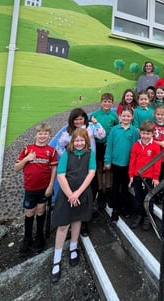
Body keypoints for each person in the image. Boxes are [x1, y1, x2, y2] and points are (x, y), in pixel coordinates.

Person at [49, 128, 96, 283]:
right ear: (72, 142)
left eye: (82, 140)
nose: (79, 143)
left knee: (77, 220)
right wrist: (70, 194)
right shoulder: (67, 155)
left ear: (86, 141)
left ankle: (73, 248)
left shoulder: (90, 155)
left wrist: (78, 193)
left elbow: (91, 173)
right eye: (77, 140)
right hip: (66, 194)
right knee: (63, 225)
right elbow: (61, 175)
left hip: (82, 193)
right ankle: (56, 259)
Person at [56, 108, 106, 236]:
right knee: (74, 194)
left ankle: (84, 221)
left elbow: (102, 135)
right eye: (76, 119)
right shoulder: (67, 133)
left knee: (91, 191)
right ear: (72, 120)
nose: (78, 121)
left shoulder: (90, 128)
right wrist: (68, 159)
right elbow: (59, 147)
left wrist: (96, 123)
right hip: (75, 170)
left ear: (84, 118)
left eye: (81, 118)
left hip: (90, 167)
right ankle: (74, 222)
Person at [14, 123, 58, 258]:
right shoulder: (27, 149)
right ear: (36, 135)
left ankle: (40, 237)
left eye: (45, 133)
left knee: (41, 211)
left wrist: (51, 185)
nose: (43, 136)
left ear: (49, 135)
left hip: (44, 188)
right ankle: (27, 239)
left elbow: (54, 169)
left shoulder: (51, 151)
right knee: (29, 212)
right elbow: (16, 168)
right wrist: (27, 159)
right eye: (40, 133)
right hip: (30, 188)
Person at [104, 107, 140, 222]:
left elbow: (136, 148)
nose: (126, 118)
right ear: (120, 117)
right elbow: (109, 146)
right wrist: (107, 161)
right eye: (123, 116)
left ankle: (124, 207)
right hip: (116, 163)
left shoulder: (134, 131)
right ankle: (115, 208)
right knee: (115, 186)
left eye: (128, 116)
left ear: (132, 117)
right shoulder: (114, 130)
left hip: (128, 164)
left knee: (125, 187)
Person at [128, 120, 162, 231]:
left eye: (148, 134)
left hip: (150, 178)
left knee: (149, 199)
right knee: (138, 198)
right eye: (143, 133)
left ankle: (148, 217)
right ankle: (138, 215)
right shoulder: (136, 145)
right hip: (138, 177)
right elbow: (132, 161)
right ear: (140, 133)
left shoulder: (155, 146)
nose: (145, 136)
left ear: (152, 134)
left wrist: (156, 177)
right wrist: (131, 175)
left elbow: (157, 163)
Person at [90, 93, 119, 210]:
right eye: (105, 101)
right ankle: (100, 190)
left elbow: (116, 128)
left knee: (108, 167)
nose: (107, 103)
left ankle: (108, 189)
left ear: (112, 103)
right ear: (101, 102)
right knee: (99, 166)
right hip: (97, 145)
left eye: (109, 101)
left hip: (108, 145)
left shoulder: (114, 115)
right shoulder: (95, 115)